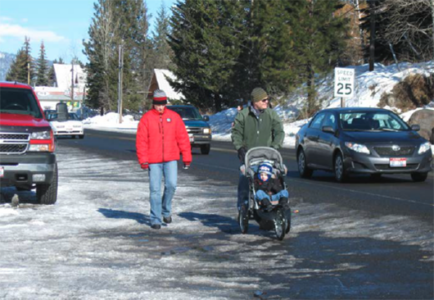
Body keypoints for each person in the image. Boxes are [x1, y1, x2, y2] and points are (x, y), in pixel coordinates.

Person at [136, 89, 192, 230]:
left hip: (171, 158)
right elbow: (141, 141)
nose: (160, 107)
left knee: (171, 185)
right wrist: (143, 159)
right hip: (153, 160)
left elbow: (182, 138)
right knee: (155, 190)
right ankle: (156, 218)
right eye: (158, 104)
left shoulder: (174, 117)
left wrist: (186, 156)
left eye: (163, 104)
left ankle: (165, 210)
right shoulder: (146, 118)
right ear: (153, 103)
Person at [231, 87, 285, 210]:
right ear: (255, 102)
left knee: (273, 178)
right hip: (248, 155)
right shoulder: (243, 115)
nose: (267, 102)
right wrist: (240, 148)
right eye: (263, 100)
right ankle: (243, 205)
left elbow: (279, 132)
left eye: (267, 99)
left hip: (268, 155)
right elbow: (236, 133)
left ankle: (273, 201)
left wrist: (274, 147)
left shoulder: (272, 115)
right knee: (245, 178)